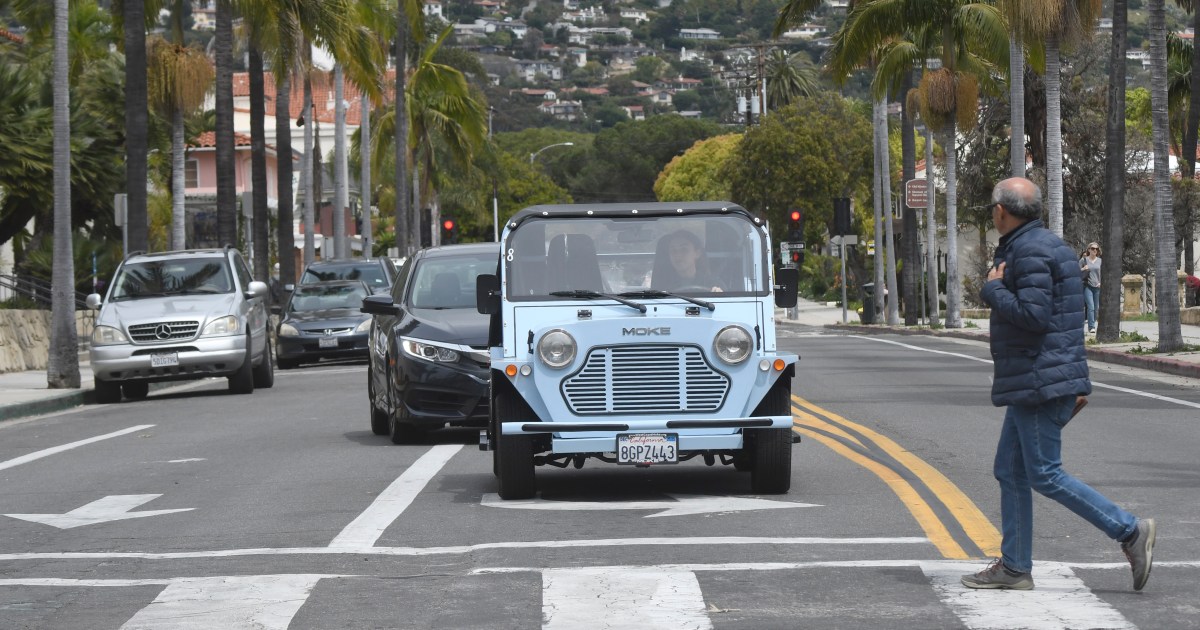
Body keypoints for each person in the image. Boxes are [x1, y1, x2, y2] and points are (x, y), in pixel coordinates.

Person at [963, 177, 1156, 592]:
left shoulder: (1029, 252)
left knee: (1045, 474)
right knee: (1009, 471)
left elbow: (1033, 316)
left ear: (1002, 211)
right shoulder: (1047, 245)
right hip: (1043, 377)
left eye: (993, 207)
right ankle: (1015, 567)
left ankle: (1129, 530)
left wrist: (993, 289)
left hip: (1039, 379)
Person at [653, 230, 722, 292]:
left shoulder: (714, 284)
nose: (678, 255)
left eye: (684, 249)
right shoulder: (661, 286)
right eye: (673, 250)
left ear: (697, 253)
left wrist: (719, 295)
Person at [1079, 242, 1102, 333]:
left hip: (1097, 286)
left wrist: (1101, 282)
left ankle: (1092, 323)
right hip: (1087, 286)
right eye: (1092, 248)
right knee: (1091, 306)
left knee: (1096, 307)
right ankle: (1091, 327)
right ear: (1089, 249)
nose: (1094, 250)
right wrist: (1083, 269)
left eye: (1096, 249)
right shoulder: (1083, 260)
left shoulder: (1100, 261)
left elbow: (1103, 273)